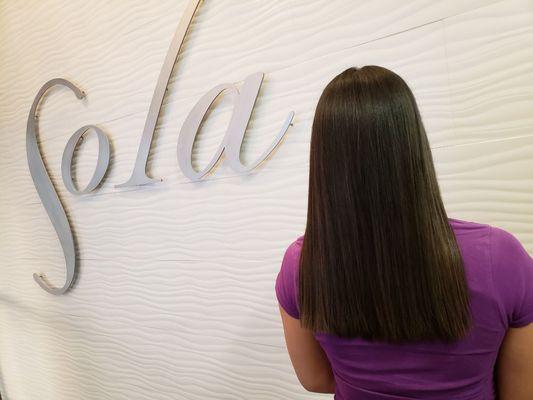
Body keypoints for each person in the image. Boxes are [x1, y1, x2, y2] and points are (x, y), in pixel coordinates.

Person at [275, 65, 533, 400]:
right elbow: (521, 391)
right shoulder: (501, 257)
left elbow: (315, 379)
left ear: (324, 161)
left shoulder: (301, 264)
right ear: (412, 145)